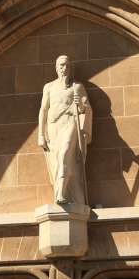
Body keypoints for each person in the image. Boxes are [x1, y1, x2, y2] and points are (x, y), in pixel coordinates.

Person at [38, 54, 93, 206]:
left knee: (64, 155)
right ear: (56, 68)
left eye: (67, 65)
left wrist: (81, 105)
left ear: (71, 68)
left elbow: (86, 109)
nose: (64, 68)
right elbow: (43, 110)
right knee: (57, 162)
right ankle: (67, 193)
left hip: (70, 124)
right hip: (53, 127)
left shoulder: (77, 87)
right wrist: (41, 134)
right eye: (61, 65)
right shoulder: (49, 87)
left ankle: (60, 193)